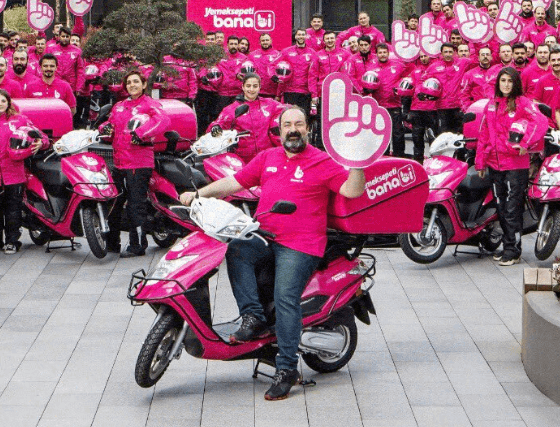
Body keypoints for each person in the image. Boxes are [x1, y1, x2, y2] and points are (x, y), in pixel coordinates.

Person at [178, 107, 367, 401]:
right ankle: (253, 317)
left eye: (299, 124)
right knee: (236, 248)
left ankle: (287, 368)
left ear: (308, 129)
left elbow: (351, 191)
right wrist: (199, 194)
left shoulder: (322, 161)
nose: (293, 129)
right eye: (287, 124)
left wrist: (358, 164)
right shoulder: (268, 157)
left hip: (302, 245)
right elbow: (234, 182)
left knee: (285, 296)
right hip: (266, 236)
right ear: (279, 131)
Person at [476, 67, 547, 265]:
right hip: (494, 164)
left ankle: (513, 250)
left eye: (510, 81)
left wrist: (526, 144)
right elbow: (483, 134)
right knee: (501, 207)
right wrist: (480, 162)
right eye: (503, 80)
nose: (506, 84)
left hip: (516, 165)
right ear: (498, 83)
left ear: (516, 83)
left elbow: (541, 122)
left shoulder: (523, 103)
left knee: (512, 208)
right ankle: (508, 246)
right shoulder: (491, 105)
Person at [100, 71, 170, 257]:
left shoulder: (150, 104)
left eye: (136, 82)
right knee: (114, 204)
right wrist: (104, 129)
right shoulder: (119, 106)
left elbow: (163, 120)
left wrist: (140, 134)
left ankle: (138, 245)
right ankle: (112, 243)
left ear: (144, 84)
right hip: (119, 163)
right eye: (129, 82)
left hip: (139, 164)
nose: (132, 85)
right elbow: (109, 126)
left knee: (135, 206)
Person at [0, 89, 48, 253]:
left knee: (13, 209)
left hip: (14, 174)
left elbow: (40, 136)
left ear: (8, 103)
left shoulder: (19, 119)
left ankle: (12, 242)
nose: (0, 104)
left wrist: (41, 144)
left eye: (3, 101)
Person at [214, 75, 284, 162]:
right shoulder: (231, 109)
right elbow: (218, 124)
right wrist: (215, 128)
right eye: (248, 86)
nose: (251, 89)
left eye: (255, 86)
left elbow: (288, 110)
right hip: (244, 158)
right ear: (242, 87)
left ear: (259, 87)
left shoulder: (270, 104)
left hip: (267, 156)